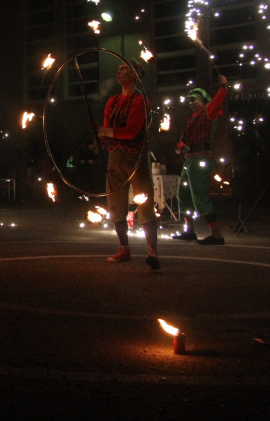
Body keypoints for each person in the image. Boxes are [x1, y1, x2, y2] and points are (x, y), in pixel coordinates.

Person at [97, 60, 160, 270]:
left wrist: (105, 132)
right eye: (118, 68)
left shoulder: (141, 101)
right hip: (115, 158)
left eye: (123, 68)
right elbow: (107, 130)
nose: (119, 71)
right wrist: (99, 136)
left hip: (136, 158)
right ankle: (124, 248)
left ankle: (152, 250)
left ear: (134, 74)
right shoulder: (112, 102)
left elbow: (131, 130)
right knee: (115, 207)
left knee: (145, 204)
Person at [172, 75, 228, 245]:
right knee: (184, 195)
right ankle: (189, 231)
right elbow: (186, 138)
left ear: (203, 101)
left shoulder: (208, 112)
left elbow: (218, 101)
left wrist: (223, 86)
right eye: (189, 101)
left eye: (194, 100)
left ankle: (217, 235)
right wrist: (180, 146)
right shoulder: (192, 119)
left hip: (201, 159)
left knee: (199, 196)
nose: (190, 103)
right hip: (189, 161)